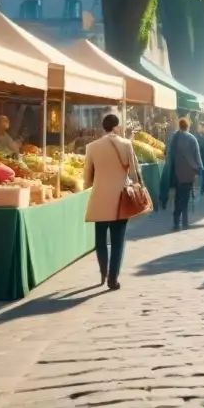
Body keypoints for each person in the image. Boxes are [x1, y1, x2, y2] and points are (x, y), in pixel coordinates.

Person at [84, 114, 141, 291]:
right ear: (116, 127)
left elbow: (87, 179)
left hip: (99, 198)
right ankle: (113, 278)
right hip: (120, 198)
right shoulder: (126, 144)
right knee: (117, 241)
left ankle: (103, 271)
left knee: (100, 239)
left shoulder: (91, 147)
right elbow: (134, 172)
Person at [162, 118, 202, 230]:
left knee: (179, 195)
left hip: (177, 171)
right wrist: (199, 168)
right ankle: (183, 219)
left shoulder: (175, 138)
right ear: (188, 126)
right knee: (186, 195)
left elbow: (169, 153)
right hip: (189, 171)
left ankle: (177, 219)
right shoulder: (192, 138)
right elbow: (197, 155)